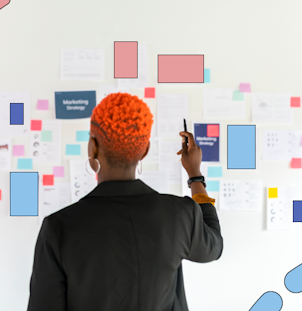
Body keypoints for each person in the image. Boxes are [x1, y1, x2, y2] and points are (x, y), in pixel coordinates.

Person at [27, 92, 223, 311]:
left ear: (92, 147)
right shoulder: (179, 214)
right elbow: (213, 246)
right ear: (145, 151)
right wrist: (195, 174)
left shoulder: (58, 228)